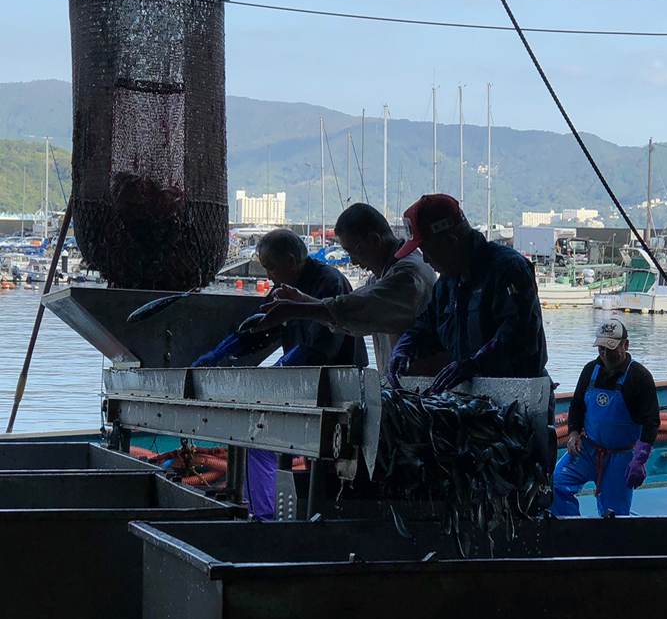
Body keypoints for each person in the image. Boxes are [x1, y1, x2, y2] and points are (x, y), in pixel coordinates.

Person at [192, 228, 368, 520]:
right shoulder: (284, 288)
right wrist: (221, 352)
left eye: (272, 268)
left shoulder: (329, 283)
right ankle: (265, 516)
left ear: (291, 260)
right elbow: (261, 328)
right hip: (303, 390)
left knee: (327, 464)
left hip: (340, 393)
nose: (270, 276)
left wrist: (280, 369)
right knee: (259, 441)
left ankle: (309, 518)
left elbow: (320, 347)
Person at [388, 193, 548, 393]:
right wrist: (404, 349)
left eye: (426, 251)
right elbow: (426, 327)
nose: (426, 261)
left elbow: (520, 334)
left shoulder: (508, 269)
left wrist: (474, 365)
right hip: (471, 398)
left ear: (449, 242)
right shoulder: (446, 284)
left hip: (519, 397)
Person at [258, 203, 436, 379]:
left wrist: (295, 309)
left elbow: (355, 309)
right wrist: (302, 300)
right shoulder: (382, 275)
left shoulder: (407, 276)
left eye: (353, 252)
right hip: (405, 384)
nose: (353, 262)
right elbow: (354, 307)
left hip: (423, 387)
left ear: (374, 240)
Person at [552, 318, 659, 517]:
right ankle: (571, 531)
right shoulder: (590, 370)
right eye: (601, 348)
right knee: (556, 484)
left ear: (625, 345)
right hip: (587, 449)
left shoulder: (640, 377)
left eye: (611, 348)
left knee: (614, 515)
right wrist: (574, 434)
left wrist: (640, 459)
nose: (605, 354)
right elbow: (576, 406)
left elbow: (651, 422)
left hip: (620, 455)